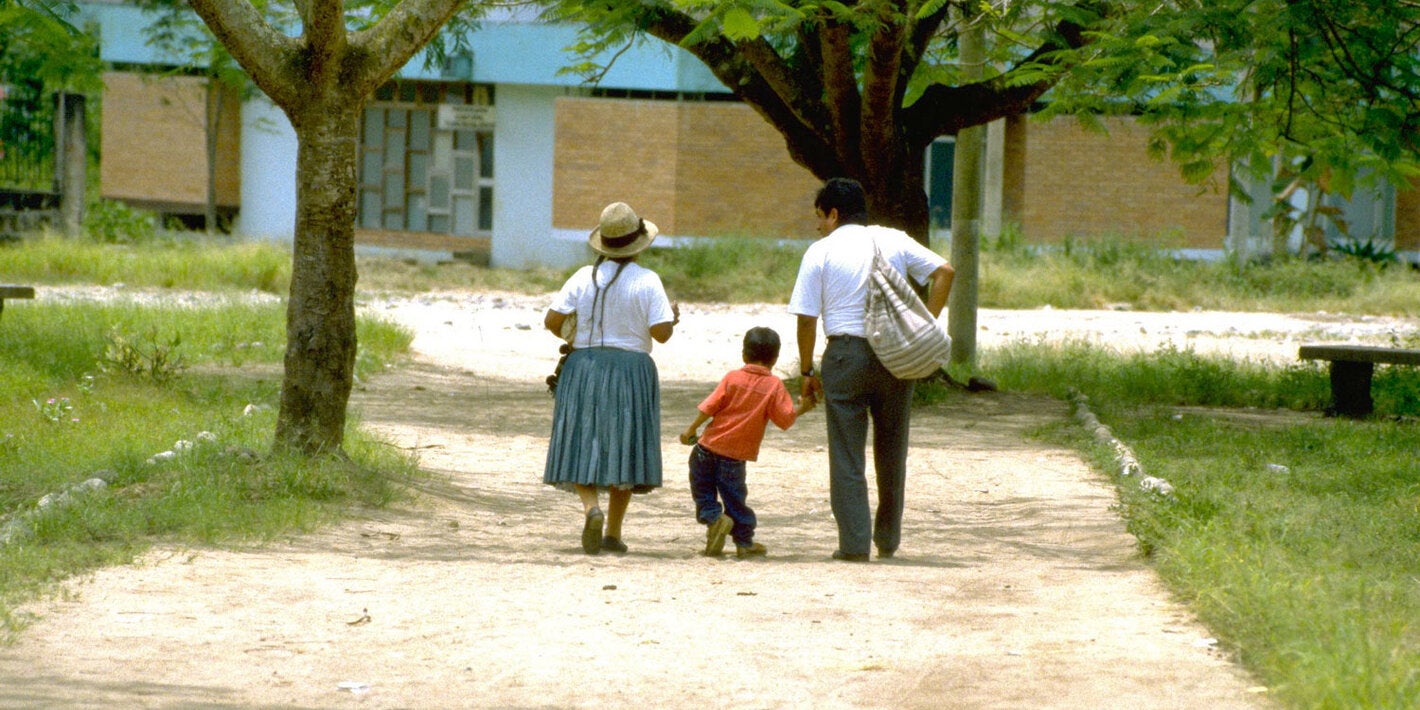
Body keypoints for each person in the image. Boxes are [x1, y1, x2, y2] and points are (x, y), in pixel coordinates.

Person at [787, 178, 955, 562]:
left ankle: (854, 544)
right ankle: (888, 539)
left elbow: (807, 319)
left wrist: (808, 370)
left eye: (819, 216)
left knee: (847, 453)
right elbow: (945, 271)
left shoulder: (820, 252)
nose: (817, 225)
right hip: (896, 356)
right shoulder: (892, 239)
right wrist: (924, 325)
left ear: (833, 213)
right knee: (893, 449)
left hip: (846, 355)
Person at [543, 202, 679, 555]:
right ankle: (613, 533)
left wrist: (579, 335)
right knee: (625, 445)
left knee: (580, 439)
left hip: (583, 366)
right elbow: (661, 334)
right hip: (631, 368)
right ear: (638, 243)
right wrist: (673, 318)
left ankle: (591, 509)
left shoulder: (580, 277)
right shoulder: (648, 281)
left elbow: (552, 321)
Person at [679, 327, 816, 559]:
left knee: (702, 491)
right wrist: (803, 407)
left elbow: (709, 407)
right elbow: (784, 419)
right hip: (734, 457)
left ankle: (714, 518)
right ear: (775, 359)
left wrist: (690, 429)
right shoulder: (774, 386)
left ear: (744, 354)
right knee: (735, 499)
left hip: (706, 448)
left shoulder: (732, 377)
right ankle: (744, 543)